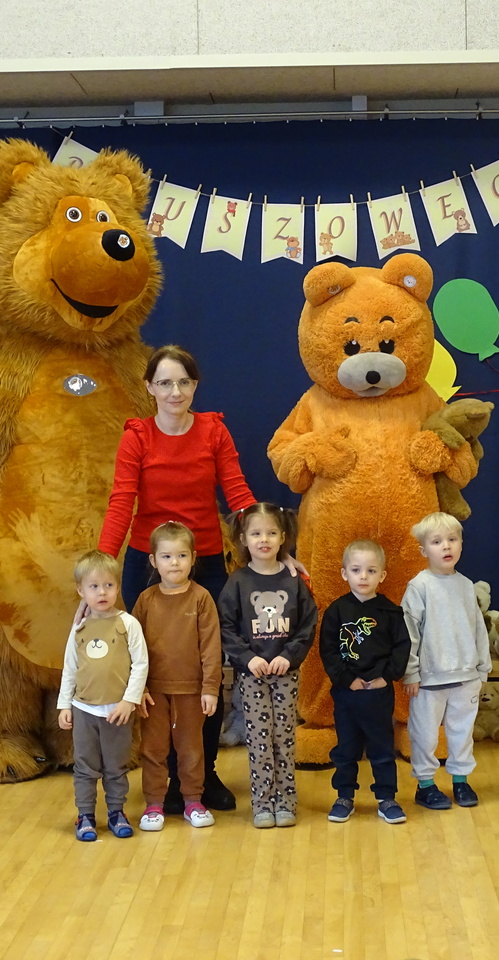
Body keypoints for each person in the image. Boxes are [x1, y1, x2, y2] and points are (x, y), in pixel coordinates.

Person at [98, 344, 272, 813]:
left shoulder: (213, 431)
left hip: (206, 563)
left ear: (195, 386)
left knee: (202, 668)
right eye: (165, 383)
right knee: (151, 668)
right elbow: (121, 502)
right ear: (150, 388)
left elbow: (237, 493)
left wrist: (272, 548)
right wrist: (101, 569)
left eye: (184, 382)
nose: (175, 391)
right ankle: (164, 777)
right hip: (145, 564)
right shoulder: (137, 437)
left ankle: (202, 774)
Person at [218, 503, 317, 828]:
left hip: (286, 673)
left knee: (284, 739)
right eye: (256, 533)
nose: (264, 539)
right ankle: (262, 804)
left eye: (271, 533)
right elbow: (226, 627)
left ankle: (285, 801)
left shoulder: (294, 580)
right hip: (252, 676)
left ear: (283, 536)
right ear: (243, 538)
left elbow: (307, 624)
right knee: (259, 741)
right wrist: (249, 658)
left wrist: (289, 655)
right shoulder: (238, 582)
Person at [131, 522, 222, 831]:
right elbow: (134, 648)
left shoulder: (201, 598)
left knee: (191, 749)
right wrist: (139, 688)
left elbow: (211, 647)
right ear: (153, 560)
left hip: (192, 691)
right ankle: (154, 804)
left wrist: (210, 688)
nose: (174, 563)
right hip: (152, 692)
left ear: (193, 558)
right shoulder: (145, 600)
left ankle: (193, 800)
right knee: (153, 749)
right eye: (167, 556)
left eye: (182, 555)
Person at [401, 512, 491, 811]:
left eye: (452, 539)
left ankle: (461, 780)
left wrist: (482, 669)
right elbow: (409, 633)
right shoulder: (419, 587)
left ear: (461, 544)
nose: (446, 546)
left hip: (466, 678)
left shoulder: (466, 585)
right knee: (425, 735)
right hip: (429, 680)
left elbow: (477, 629)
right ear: (423, 550)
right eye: (437, 541)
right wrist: (411, 673)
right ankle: (425, 785)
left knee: (462, 733)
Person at [57, 550, 148, 842]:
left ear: (117, 587)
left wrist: (129, 700)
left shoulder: (128, 624)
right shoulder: (79, 627)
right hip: (84, 711)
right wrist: (64, 705)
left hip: (117, 712)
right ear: (81, 591)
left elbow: (141, 664)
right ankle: (85, 815)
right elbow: (70, 667)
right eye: (94, 586)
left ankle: (116, 812)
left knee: (116, 767)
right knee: (85, 767)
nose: (102, 592)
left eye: (109, 585)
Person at [319, 539, 411, 825]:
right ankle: (344, 796)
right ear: (344, 573)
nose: (363, 576)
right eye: (356, 570)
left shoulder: (391, 612)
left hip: (379, 694)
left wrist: (386, 677)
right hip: (347, 694)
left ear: (382, 575)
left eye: (371, 571)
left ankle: (387, 798)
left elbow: (402, 648)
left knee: (382, 749)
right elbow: (328, 650)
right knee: (346, 749)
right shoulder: (336, 611)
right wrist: (348, 680)